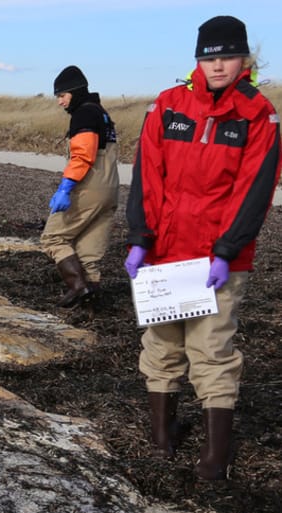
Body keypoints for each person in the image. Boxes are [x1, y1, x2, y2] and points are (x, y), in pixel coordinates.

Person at [124, 15, 282, 480]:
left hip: (218, 258)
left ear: (244, 60)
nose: (217, 66)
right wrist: (139, 239)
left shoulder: (258, 115)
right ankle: (163, 435)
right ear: (198, 60)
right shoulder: (166, 107)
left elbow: (254, 191)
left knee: (212, 349)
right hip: (164, 252)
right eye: (208, 57)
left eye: (227, 57)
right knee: (161, 345)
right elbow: (148, 178)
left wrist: (227, 251)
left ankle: (214, 457)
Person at [41, 65, 120, 307]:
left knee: (52, 238)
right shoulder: (102, 113)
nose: (60, 102)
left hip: (89, 187)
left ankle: (77, 286)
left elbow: (83, 155)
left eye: (62, 96)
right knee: (89, 249)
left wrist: (66, 187)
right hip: (111, 188)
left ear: (75, 92)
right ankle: (91, 299)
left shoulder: (84, 114)